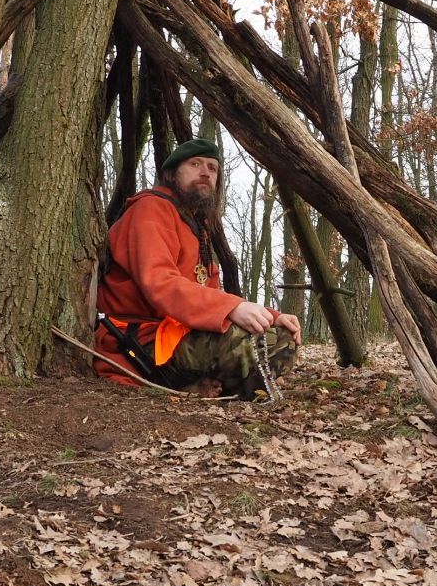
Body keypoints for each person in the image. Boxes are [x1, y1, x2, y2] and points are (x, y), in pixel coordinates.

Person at [95, 137, 300, 398]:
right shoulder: (151, 209)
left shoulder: (196, 228)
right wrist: (232, 309)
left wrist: (271, 316)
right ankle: (227, 398)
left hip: (178, 335)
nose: (205, 173)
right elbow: (160, 283)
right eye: (195, 164)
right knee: (255, 342)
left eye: (212, 168)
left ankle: (203, 390)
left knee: (282, 337)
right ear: (171, 174)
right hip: (140, 341)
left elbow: (212, 292)